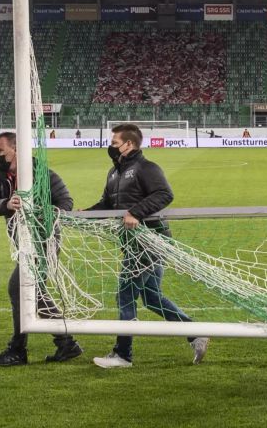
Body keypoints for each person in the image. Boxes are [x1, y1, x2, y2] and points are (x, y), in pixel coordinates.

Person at [86, 124, 209, 368]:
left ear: (128, 144)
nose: (110, 147)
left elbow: (164, 194)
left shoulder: (146, 168)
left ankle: (123, 355)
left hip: (151, 241)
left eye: (114, 143)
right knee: (152, 298)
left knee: (126, 293)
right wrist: (82, 215)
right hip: (132, 243)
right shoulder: (114, 173)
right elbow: (107, 205)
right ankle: (196, 333)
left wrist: (136, 212)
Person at [0, 131, 83, 366]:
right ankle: (66, 343)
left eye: (0, 150)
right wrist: (6, 204)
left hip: (44, 241)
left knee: (18, 288)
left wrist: (41, 212)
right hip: (22, 243)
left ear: (16, 149)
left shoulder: (44, 174)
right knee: (34, 293)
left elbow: (66, 203)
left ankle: (18, 350)